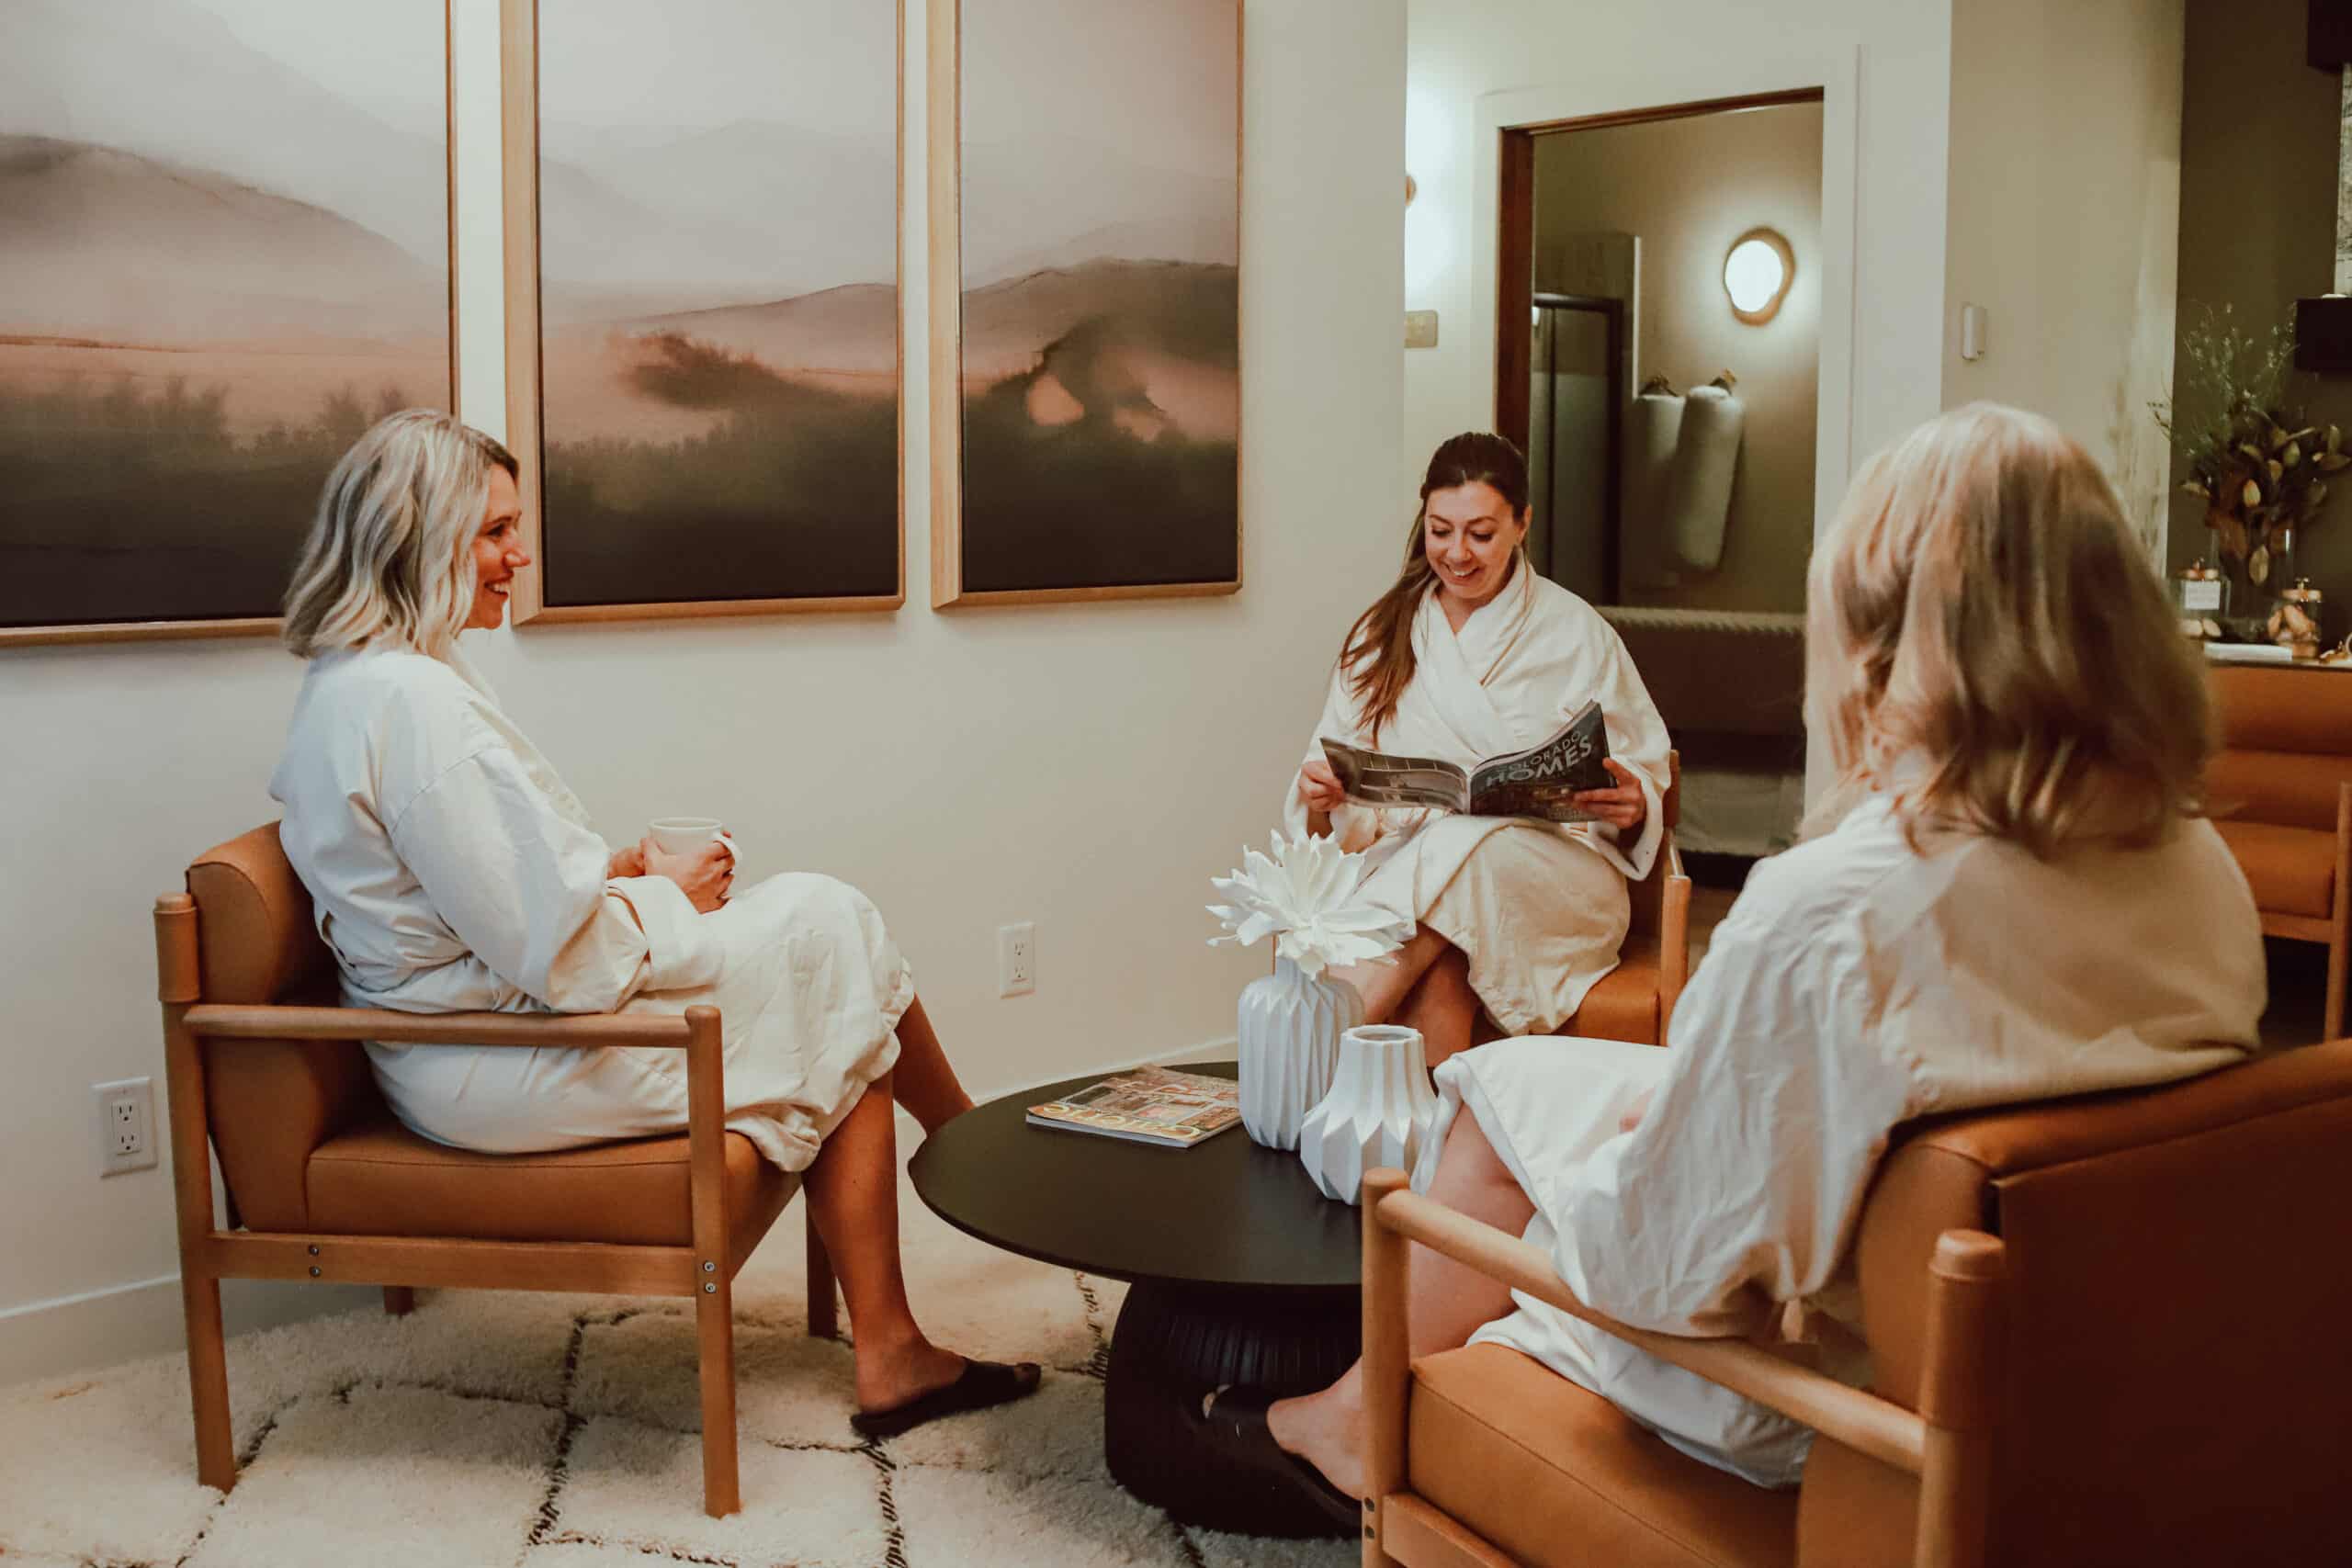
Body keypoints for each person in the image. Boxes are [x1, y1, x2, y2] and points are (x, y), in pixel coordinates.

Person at [1205, 402, 2266, 1519]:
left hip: (1816, 1389)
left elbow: (1653, 1273)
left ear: (1883, 645)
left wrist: (1636, 1154)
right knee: (1499, 1079)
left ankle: (1357, 1413)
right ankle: (1366, 1372)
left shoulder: (1829, 914)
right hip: (2074, 1362)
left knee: (1514, 1149)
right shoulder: (2202, 873)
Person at [270, 409, 1038, 1438]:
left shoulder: (360, 680)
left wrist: (613, 871)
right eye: (495, 530)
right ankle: (963, 1165)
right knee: (828, 930)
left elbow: (478, 900)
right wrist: (667, 893)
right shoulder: (413, 706)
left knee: (827, 951)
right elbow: (560, 959)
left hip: (475, 1035)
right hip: (497, 1064)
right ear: (420, 537)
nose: (520, 554)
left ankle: (913, 1293)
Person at [1288, 432, 1674, 1066]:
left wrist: (1634, 801)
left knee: (1461, 847)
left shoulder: (1578, 633)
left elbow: (1642, 770)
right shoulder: (1383, 632)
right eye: (1441, 531)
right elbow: (1326, 785)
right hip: (1420, 873)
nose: (1457, 553)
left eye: (1481, 534)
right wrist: (1323, 795)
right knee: (1444, 972)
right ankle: (1417, 1158)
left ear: (1523, 523)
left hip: (1555, 884)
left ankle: (1310, 1053)